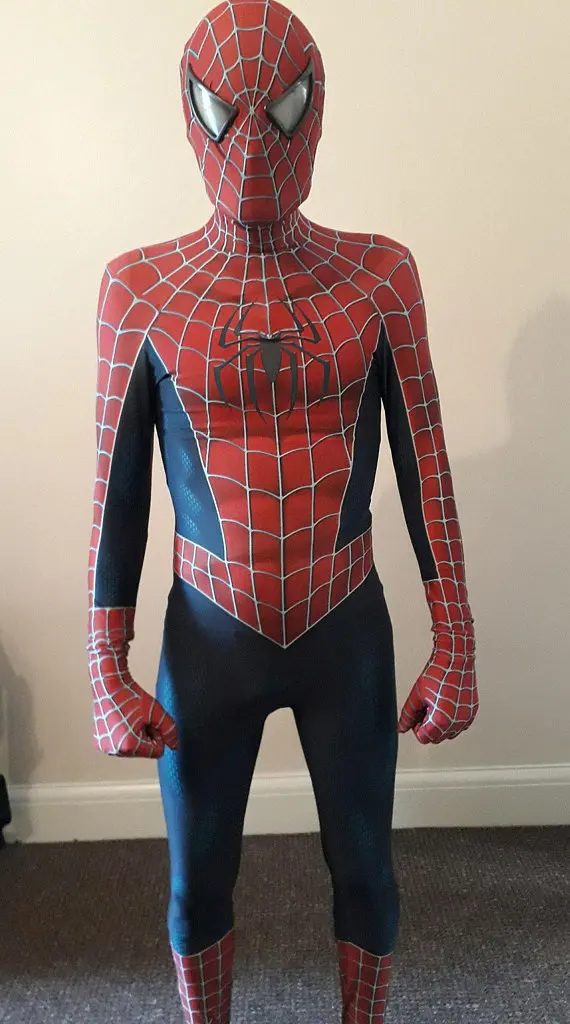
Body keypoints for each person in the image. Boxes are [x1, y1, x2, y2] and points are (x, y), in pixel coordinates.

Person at [87, 2, 477, 1020]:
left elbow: (425, 462)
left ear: (319, 110)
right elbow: (117, 489)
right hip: (208, 635)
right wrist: (103, 664)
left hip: (346, 630)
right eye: (227, 113)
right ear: (190, 115)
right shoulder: (140, 289)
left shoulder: (380, 276)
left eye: (284, 108)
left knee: (367, 870)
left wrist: (457, 643)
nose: (254, 143)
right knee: (195, 883)